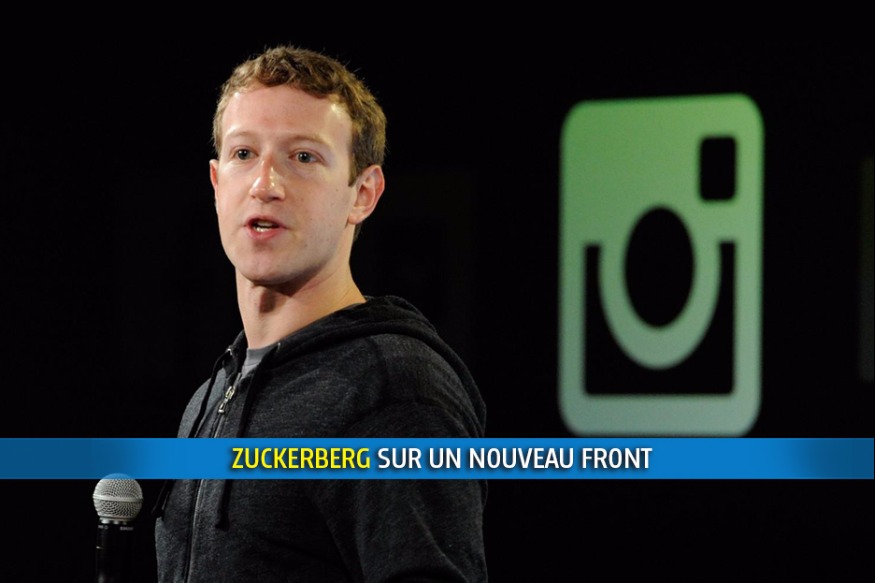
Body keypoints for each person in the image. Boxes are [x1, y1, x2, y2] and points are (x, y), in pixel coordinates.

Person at [152, 44, 488, 582]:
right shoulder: (209, 397)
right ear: (216, 185)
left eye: (303, 157)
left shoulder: (395, 392)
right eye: (244, 153)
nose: (264, 184)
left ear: (363, 194)